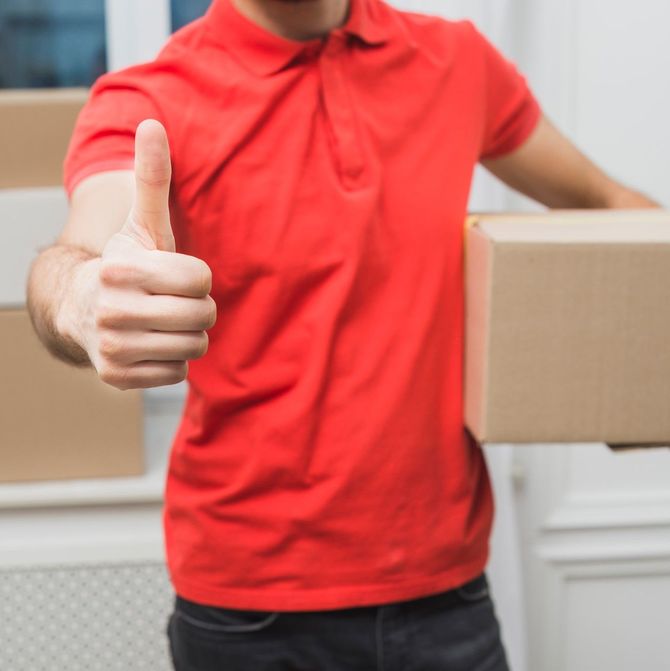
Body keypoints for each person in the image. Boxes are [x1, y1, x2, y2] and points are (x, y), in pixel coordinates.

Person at [26, 0, 658, 669]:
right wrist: (80, 297)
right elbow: (79, 253)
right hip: (248, 611)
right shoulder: (148, 99)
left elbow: (608, 204)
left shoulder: (458, 60)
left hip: (446, 590)